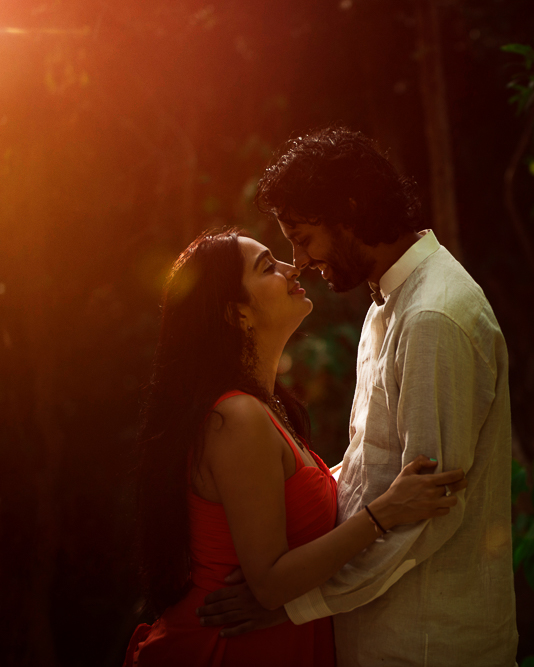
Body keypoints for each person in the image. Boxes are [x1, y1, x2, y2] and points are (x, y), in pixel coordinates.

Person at [197, 127, 518, 665]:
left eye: (302, 236)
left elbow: (428, 513)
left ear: (348, 211)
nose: (297, 260)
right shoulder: (387, 304)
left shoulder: (431, 316)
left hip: (427, 642)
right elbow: (374, 469)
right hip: (381, 635)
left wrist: (291, 602)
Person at [124, 229, 466, 666]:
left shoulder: (263, 407)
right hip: (230, 648)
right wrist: (386, 513)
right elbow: (268, 583)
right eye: (268, 267)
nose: (292, 267)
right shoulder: (237, 418)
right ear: (236, 314)